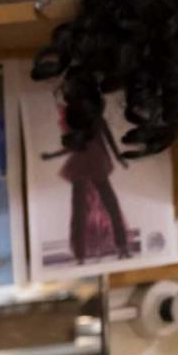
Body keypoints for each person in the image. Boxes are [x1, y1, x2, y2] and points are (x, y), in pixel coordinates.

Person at [43, 95, 131, 265]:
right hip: (87, 164)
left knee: (105, 206)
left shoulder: (94, 120)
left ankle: (120, 247)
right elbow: (72, 145)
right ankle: (81, 254)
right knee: (84, 209)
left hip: (93, 163)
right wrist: (51, 155)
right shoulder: (79, 119)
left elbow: (109, 141)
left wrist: (120, 158)